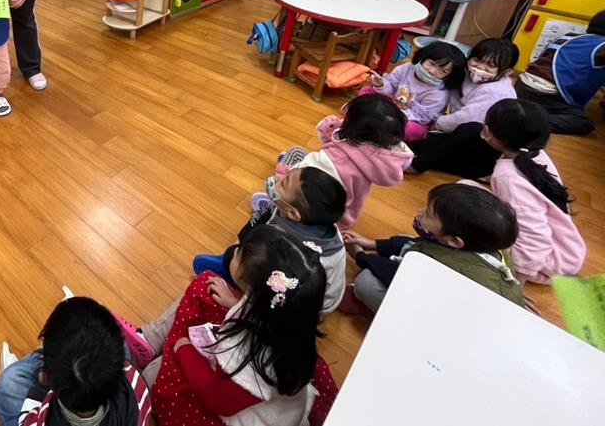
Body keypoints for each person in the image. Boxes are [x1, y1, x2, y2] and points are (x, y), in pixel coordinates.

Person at [115, 225, 326, 426]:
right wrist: (236, 304)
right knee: (206, 283)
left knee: (152, 375)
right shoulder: (291, 316)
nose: (234, 251)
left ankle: (150, 347)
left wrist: (184, 349)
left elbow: (217, 398)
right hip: (243, 379)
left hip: (226, 412)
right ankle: (148, 340)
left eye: (239, 252)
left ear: (254, 292)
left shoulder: (254, 361)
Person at [340, 184, 524, 315]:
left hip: (452, 324)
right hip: (482, 306)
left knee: (366, 282)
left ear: (455, 241)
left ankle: (378, 311)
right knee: (404, 239)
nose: (420, 211)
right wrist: (372, 244)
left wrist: (360, 254)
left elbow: (391, 273)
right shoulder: (491, 247)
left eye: (428, 214)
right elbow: (414, 244)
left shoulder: (434, 264)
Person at [191, 166, 348, 315]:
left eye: (284, 182)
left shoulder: (283, 248)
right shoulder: (325, 224)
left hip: (298, 306)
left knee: (231, 254)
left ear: (294, 214)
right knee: (267, 212)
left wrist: (235, 304)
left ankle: (230, 270)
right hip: (313, 290)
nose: (278, 176)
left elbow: (275, 300)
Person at [0, 296, 152, 426]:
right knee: (89, 344)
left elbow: (29, 419)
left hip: (43, 403)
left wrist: (41, 387)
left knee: (7, 385)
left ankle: (51, 357)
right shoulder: (135, 385)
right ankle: (59, 356)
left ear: (45, 376)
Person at [478, 99, 586, 283]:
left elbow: (533, 240)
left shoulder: (508, 177)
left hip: (548, 264)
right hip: (566, 251)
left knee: (463, 205)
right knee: (469, 190)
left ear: (488, 132)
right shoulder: (534, 154)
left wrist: (516, 284)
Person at [277, 94, 413, 228]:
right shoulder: (384, 157)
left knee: (295, 153)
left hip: (310, 213)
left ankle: (279, 178)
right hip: (343, 217)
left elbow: (304, 177)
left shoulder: (333, 159)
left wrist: (284, 177)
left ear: (350, 126)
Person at [408, 38, 519, 179]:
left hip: (486, 146)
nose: (480, 67)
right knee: (422, 145)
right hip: (460, 133)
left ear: (507, 72)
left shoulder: (496, 91)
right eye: (477, 60)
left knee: (469, 130)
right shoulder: (466, 73)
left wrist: (437, 123)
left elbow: (466, 119)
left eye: (490, 66)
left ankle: (418, 165)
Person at [516, 10, 605, 135]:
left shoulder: (570, 36)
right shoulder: (602, 46)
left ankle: (525, 111)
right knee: (583, 123)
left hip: (523, 84)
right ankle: (529, 120)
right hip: (546, 93)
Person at [363, 40, 466, 142]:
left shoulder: (439, 93)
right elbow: (391, 87)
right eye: (432, 64)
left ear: (449, 76)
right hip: (392, 105)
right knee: (367, 91)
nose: (433, 71)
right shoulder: (407, 68)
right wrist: (381, 85)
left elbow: (423, 118)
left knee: (407, 129)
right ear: (423, 57)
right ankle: (369, 118)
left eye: (443, 71)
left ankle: (378, 128)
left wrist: (391, 114)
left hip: (414, 121)